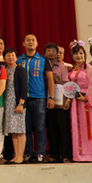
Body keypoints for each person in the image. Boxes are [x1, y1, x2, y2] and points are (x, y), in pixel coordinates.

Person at [17, 34, 55, 163]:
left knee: (40, 128)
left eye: (33, 40)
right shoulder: (19, 60)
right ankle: (28, 153)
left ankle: (40, 153)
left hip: (39, 98)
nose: (31, 42)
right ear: (23, 44)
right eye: (28, 40)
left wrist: (51, 97)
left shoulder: (43, 59)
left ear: (37, 43)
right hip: (23, 99)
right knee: (26, 128)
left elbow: (50, 79)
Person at [67, 42, 92, 162]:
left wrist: (86, 97)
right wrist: (69, 98)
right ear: (72, 56)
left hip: (87, 101)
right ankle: (80, 154)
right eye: (76, 53)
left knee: (90, 127)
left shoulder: (88, 67)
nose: (79, 56)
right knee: (78, 126)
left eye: (81, 53)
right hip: (75, 101)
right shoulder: (72, 69)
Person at [44, 43, 72, 163]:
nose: (51, 53)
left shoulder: (61, 67)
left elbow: (66, 84)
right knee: (51, 130)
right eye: (48, 51)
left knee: (63, 129)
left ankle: (66, 155)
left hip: (60, 102)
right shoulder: (41, 65)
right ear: (44, 53)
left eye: (54, 51)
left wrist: (68, 99)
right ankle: (54, 154)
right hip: (45, 101)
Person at [3, 48, 28, 164]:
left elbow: (24, 88)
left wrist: (21, 104)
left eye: (13, 55)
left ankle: (20, 156)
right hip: (8, 103)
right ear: (4, 58)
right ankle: (16, 155)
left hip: (18, 102)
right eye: (8, 56)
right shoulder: (4, 70)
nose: (10, 57)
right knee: (13, 130)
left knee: (20, 130)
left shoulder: (20, 70)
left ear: (16, 57)